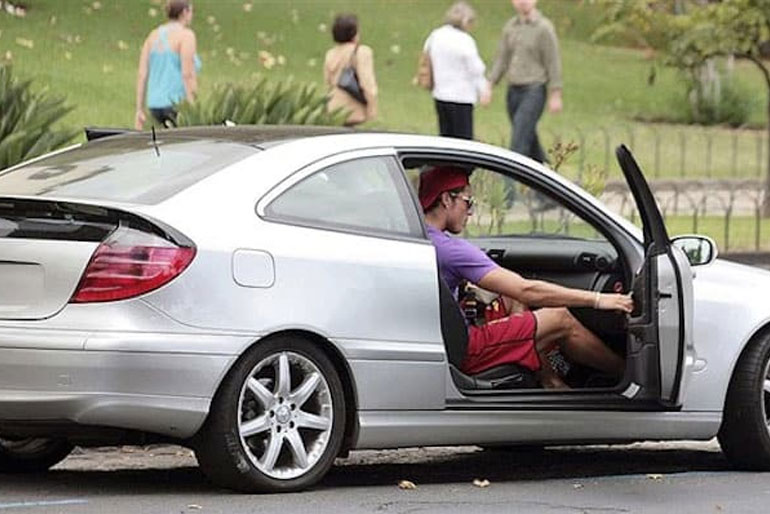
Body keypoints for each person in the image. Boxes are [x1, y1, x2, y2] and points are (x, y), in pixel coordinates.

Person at [418, 166, 631, 389]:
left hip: (442, 339)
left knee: (510, 299)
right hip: (468, 349)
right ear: (446, 200)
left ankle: (549, 379)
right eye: (468, 202)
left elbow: (516, 294)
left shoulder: (419, 238)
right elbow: (527, 290)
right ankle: (624, 376)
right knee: (560, 319)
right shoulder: (451, 250)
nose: (470, 212)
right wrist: (599, 299)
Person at [488, 0, 562, 163]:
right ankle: (545, 174)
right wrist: (490, 84)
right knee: (528, 135)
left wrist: (555, 93)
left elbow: (553, 61)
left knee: (519, 140)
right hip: (514, 90)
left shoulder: (544, 28)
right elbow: (502, 58)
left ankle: (509, 184)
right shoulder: (511, 27)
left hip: (533, 90)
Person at [422, 1, 491, 140]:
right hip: (462, 96)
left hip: (440, 94)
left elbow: (426, 53)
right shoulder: (465, 40)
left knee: (446, 136)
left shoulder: (436, 35)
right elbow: (476, 69)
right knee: (463, 139)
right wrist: (483, 89)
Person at [135, 0, 201, 130]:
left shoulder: (152, 36)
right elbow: (187, 74)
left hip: (154, 104)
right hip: (176, 104)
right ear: (184, 12)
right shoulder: (186, 36)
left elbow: (142, 74)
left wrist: (139, 109)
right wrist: (192, 107)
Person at [323, 14, 378, 127]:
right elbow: (367, 84)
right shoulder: (361, 52)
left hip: (334, 110)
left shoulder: (330, 54)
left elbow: (328, 83)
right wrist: (372, 108)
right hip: (354, 110)